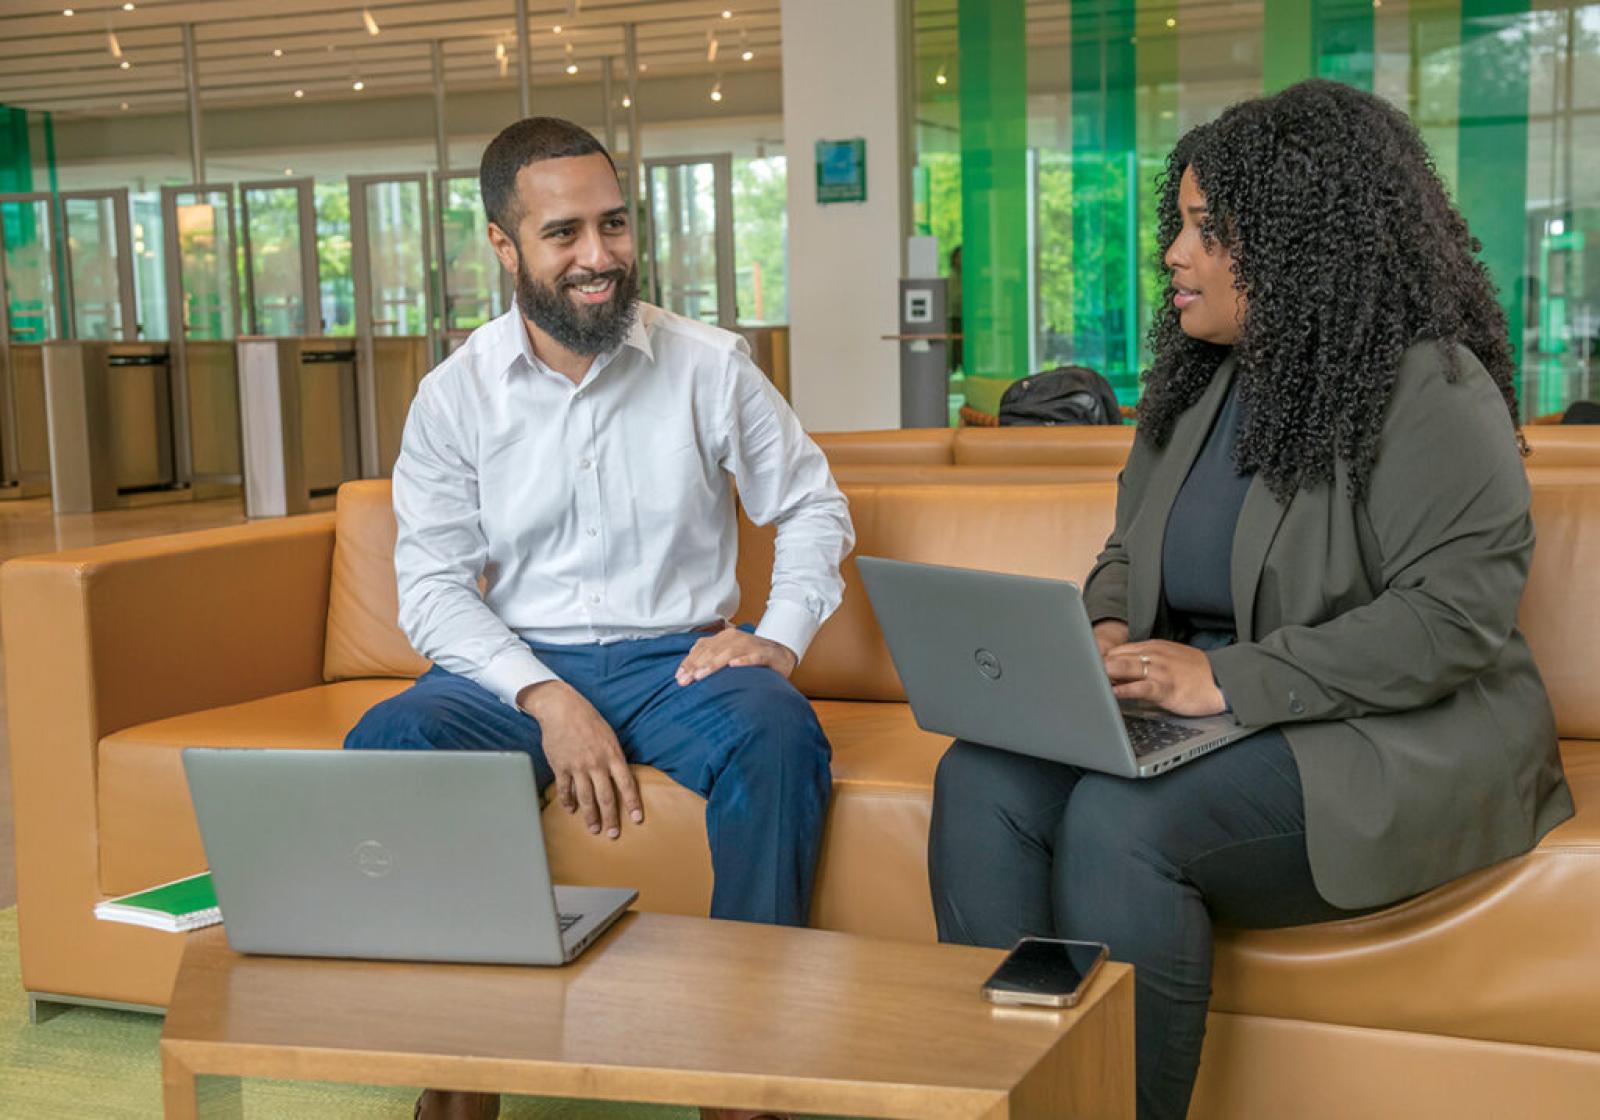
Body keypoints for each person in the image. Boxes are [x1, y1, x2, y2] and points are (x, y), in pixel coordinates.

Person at [926, 80, 1573, 1120]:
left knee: (1119, 820)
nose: (1173, 254)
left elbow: (1449, 623)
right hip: (1203, 714)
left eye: (1203, 229)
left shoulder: (1433, 391)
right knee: (983, 777)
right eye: (1175, 225)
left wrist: (1224, 675)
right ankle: (1011, 1100)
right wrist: (1099, 629)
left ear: (1295, 241)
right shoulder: (1193, 386)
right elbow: (1128, 552)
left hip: (1384, 731)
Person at [343, 117, 853, 1120]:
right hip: (518, 666)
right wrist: (542, 695)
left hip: (680, 666)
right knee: (392, 737)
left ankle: (743, 1082)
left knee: (780, 734)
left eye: (613, 225)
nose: (598, 256)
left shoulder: (707, 365)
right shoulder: (454, 398)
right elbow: (433, 588)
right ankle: (460, 1072)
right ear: (504, 245)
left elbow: (810, 506)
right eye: (564, 233)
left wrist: (779, 636)